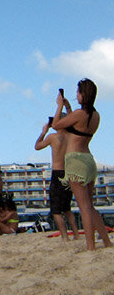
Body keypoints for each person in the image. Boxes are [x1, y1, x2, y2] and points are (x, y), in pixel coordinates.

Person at [52, 79, 112, 250]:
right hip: (88, 160)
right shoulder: (95, 115)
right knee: (90, 206)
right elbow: (76, 127)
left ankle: (91, 247)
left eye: (78, 92)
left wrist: (58, 106)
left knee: (84, 207)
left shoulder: (80, 114)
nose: (76, 95)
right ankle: (106, 242)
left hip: (75, 160)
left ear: (83, 94)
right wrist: (68, 108)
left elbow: (57, 125)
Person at [35, 95, 80, 241]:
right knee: (67, 209)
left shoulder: (53, 137)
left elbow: (37, 146)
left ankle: (65, 237)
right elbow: (73, 119)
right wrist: (67, 106)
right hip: (69, 172)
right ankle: (76, 234)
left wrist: (43, 131)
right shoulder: (72, 136)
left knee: (56, 210)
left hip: (58, 172)